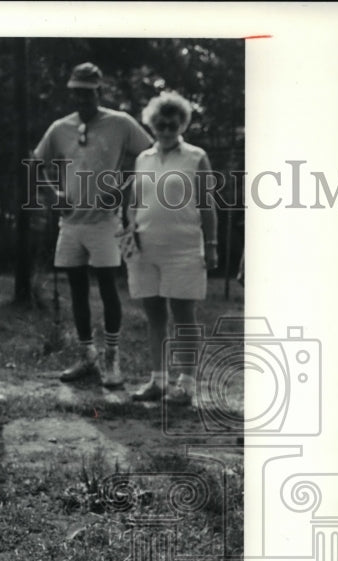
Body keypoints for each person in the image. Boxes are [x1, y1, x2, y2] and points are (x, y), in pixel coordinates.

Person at [32, 62, 153, 387]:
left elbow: (151, 156)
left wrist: (122, 188)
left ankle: (111, 356)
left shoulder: (120, 123)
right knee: (77, 290)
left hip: (104, 223)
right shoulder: (61, 127)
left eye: (88, 93)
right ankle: (87, 356)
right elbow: (35, 162)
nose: (82, 99)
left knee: (108, 288)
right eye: (76, 93)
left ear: (99, 91)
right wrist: (51, 193)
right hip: (71, 223)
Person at [124, 91, 218, 404]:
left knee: (183, 315)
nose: (165, 130)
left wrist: (212, 244)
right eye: (160, 124)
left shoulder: (195, 157)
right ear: (152, 125)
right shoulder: (143, 159)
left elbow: (207, 205)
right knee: (153, 315)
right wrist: (128, 229)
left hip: (184, 248)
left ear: (182, 124)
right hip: (145, 249)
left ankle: (186, 384)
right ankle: (158, 380)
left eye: (172, 124)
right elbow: (135, 202)